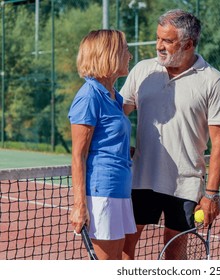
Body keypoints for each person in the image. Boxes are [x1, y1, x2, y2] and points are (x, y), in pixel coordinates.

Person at [120, 9, 220, 260]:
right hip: (140, 179)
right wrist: (119, 148)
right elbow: (117, 116)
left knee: (174, 254)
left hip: (185, 184)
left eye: (168, 41)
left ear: (189, 43)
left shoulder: (213, 81)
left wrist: (211, 194)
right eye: (158, 38)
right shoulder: (142, 71)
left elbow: (219, 144)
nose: (159, 46)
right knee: (125, 250)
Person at [68, 29, 136, 260]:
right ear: (110, 54)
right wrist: (80, 205)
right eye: (126, 50)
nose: (130, 56)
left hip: (120, 190)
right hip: (102, 193)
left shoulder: (114, 97)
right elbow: (78, 156)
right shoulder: (89, 96)